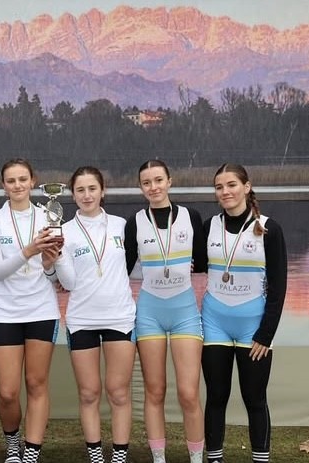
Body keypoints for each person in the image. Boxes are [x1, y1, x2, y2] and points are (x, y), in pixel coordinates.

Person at [47, 166, 136, 463]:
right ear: (73, 195)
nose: (87, 195)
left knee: (118, 392)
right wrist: (58, 259)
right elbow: (69, 283)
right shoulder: (65, 231)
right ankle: (96, 457)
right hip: (82, 319)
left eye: (92, 189)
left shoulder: (122, 226)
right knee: (88, 393)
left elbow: (136, 264)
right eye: (80, 190)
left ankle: (119, 457)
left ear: (102, 190)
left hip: (120, 317)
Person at [201, 163, 287, 463]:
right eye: (219, 187)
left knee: (255, 399)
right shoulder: (208, 226)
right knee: (216, 397)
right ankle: (214, 458)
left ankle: (260, 458)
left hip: (254, 328)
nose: (225, 191)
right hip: (214, 323)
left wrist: (266, 333)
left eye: (231, 185)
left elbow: (278, 287)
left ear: (246, 187)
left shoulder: (269, 228)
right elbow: (194, 265)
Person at [124, 160, 206, 463]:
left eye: (158, 180)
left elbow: (203, 262)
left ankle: (196, 458)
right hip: (150, 312)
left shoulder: (191, 217)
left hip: (185, 311)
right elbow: (122, 269)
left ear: (170, 181)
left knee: (188, 393)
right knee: (155, 390)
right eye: (146, 182)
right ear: (140, 187)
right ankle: (159, 458)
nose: (153, 187)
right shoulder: (135, 222)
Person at [0, 159, 62, 463]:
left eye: (22, 179)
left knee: (36, 384)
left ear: (33, 181)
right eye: (11, 180)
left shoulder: (49, 215)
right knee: (7, 392)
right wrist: (30, 250)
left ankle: (31, 451)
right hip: (7, 313)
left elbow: (54, 274)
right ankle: (12, 443)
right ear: (3, 185)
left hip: (42, 310)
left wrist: (50, 264)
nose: (17, 185)